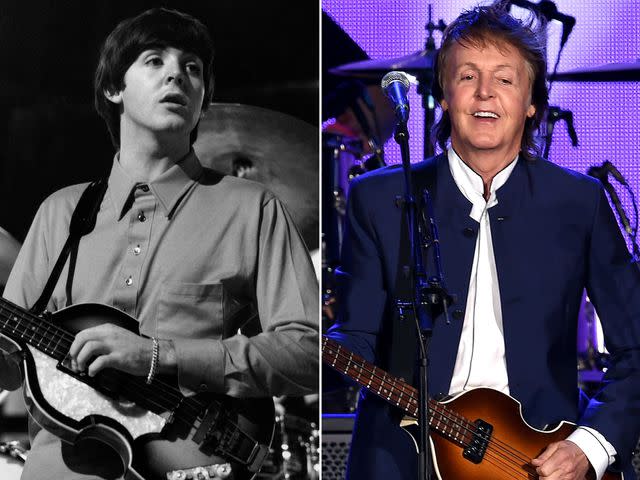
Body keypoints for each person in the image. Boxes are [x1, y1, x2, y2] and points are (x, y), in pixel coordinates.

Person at [325, 4, 640, 480]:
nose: (485, 92)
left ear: (532, 102)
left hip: (537, 459)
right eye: (467, 75)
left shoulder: (580, 202)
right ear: (445, 96)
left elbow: (636, 349)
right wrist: (318, 344)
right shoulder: (378, 197)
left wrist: (589, 447)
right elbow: (358, 336)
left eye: (505, 79)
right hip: (403, 459)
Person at [1, 8, 318, 479]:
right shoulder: (60, 212)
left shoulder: (252, 208)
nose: (177, 73)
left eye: (192, 67)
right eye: (153, 60)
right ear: (114, 89)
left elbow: (310, 352)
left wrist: (159, 356)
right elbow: (9, 370)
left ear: (204, 97)